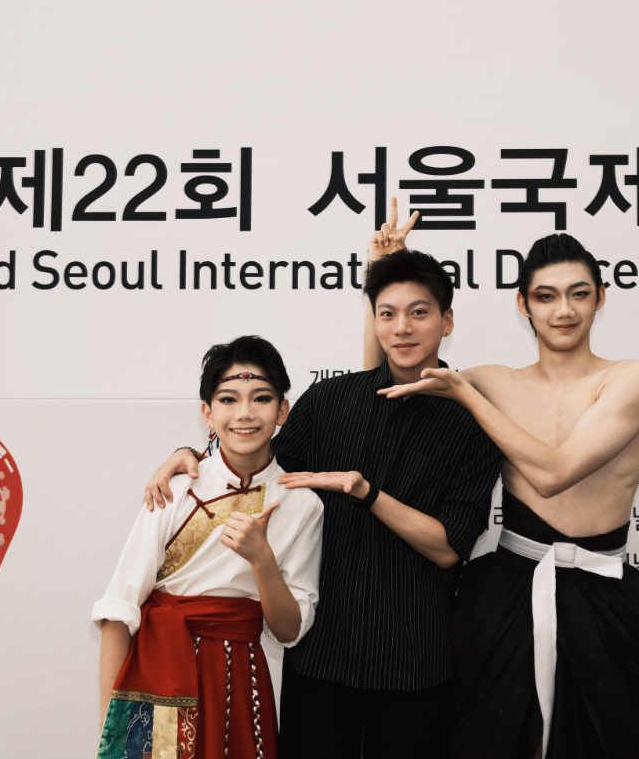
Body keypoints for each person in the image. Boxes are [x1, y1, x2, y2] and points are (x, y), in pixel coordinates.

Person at [143, 247, 502, 759]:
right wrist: (194, 452)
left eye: (419, 313)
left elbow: (450, 547)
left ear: (446, 321)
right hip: (320, 654)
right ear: (374, 321)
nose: (402, 327)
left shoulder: (473, 421)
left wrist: (366, 492)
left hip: (414, 658)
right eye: (387, 314)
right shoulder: (330, 400)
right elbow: (258, 462)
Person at [372, 222, 639, 758]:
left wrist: (469, 398)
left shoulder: (632, 378)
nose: (563, 311)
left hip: (610, 599)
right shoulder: (494, 381)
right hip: (503, 598)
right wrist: (388, 274)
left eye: (578, 294)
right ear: (523, 304)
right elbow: (382, 388)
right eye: (546, 297)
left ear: (600, 298)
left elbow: (553, 474)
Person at [93, 335, 324, 759]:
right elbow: (118, 611)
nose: (245, 413)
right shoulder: (175, 489)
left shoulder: (301, 503)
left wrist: (262, 560)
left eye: (261, 398)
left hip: (240, 677)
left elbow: (289, 630)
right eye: (228, 400)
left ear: (283, 411)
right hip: (158, 671)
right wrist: (114, 731)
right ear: (208, 413)